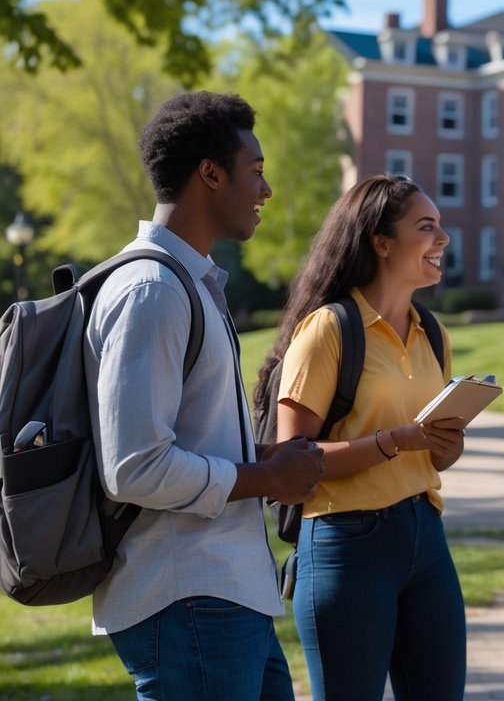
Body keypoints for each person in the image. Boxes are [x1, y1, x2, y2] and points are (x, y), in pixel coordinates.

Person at [84, 91, 325, 700]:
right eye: (257, 172)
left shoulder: (189, 284)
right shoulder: (152, 291)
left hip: (223, 591)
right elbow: (135, 467)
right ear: (210, 174)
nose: (266, 191)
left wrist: (262, 464)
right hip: (187, 594)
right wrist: (264, 480)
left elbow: (185, 441)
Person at [255, 174, 468, 701]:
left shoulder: (432, 332)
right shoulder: (328, 329)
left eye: (441, 227)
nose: (443, 239)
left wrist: (445, 445)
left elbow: (434, 454)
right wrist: (395, 441)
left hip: (425, 536)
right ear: (381, 242)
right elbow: (289, 463)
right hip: (346, 547)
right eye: (427, 227)